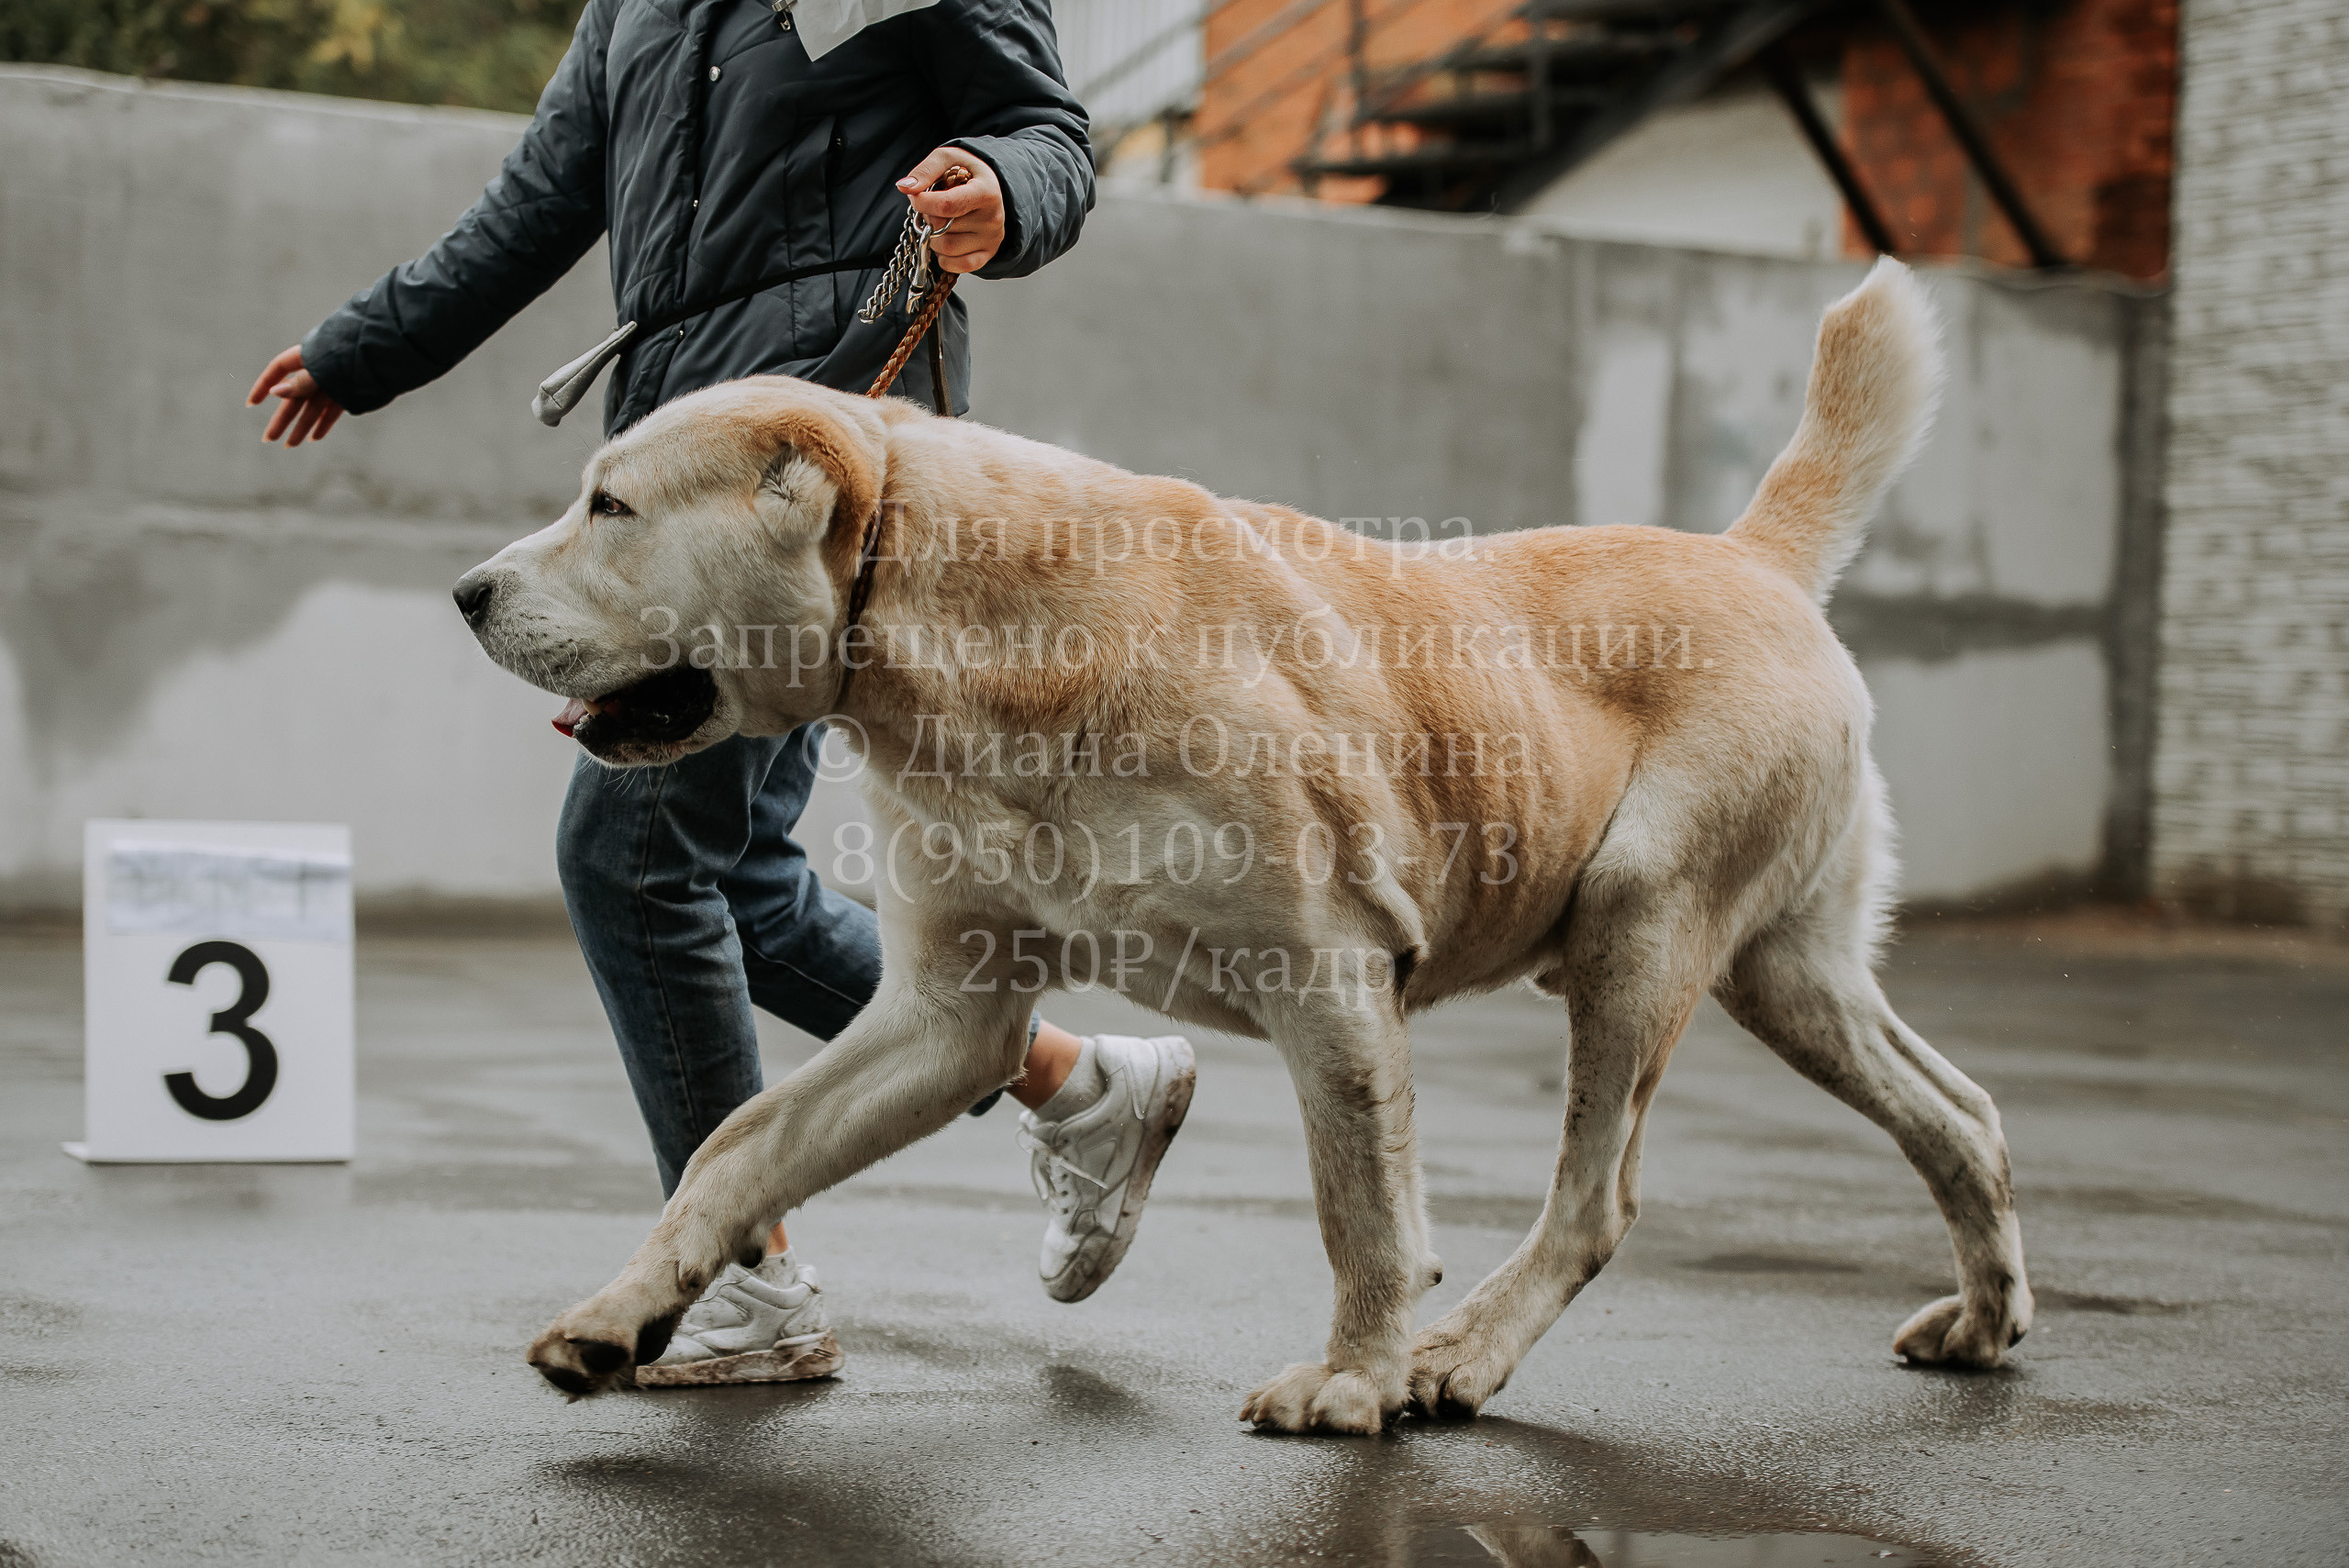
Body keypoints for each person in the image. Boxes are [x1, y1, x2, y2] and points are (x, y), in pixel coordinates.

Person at [245, 0, 1194, 1386]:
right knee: (728, 869)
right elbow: (539, 199)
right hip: (685, 436)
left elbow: (1046, 131)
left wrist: (1002, 191)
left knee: (631, 854)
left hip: (826, 439)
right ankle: (1078, 1082)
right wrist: (367, 345)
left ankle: (743, 1273)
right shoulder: (630, 7)